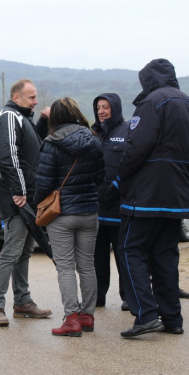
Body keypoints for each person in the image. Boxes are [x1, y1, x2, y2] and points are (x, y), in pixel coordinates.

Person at [110, 59, 189, 338]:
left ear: (148, 79)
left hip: (145, 193)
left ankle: (146, 314)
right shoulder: (186, 101)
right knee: (165, 255)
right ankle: (173, 319)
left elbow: (136, 148)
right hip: (177, 195)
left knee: (130, 251)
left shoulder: (152, 101)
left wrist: (122, 180)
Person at [34, 97, 104, 337]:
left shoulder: (51, 142)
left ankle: (71, 320)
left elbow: (43, 183)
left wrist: (37, 203)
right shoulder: (94, 140)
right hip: (89, 212)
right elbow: (100, 177)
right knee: (87, 265)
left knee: (65, 267)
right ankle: (87, 316)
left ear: (54, 118)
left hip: (61, 214)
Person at [0, 79, 52, 327]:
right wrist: (19, 190)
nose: (36, 101)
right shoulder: (9, 117)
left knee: (24, 251)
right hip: (18, 199)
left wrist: (43, 123)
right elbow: (8, 155)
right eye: (31, 97)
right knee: (12, 251)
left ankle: (23, 301)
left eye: (36, 97)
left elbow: (31, 148)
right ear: (17, 97)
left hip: (28, 197)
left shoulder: (20, 118)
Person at [90, 93, 129, 311]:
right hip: (96, 208)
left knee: (124, 255)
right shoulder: (93, 133)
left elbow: (132, 165)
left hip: (119, 206)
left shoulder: (128, 131)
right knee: (97, 257)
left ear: (115, 108)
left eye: (106, 107)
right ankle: (98, 296)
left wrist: (114, 187)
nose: (102, 111)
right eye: (98, 107)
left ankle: (128, 296)